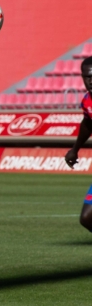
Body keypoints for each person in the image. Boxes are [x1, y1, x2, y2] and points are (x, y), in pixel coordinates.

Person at [64, 56, 92, 231]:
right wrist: (74, 150)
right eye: (87, 77)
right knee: (87, 218)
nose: (90, 81)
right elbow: (88, 124)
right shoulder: (87, 101)